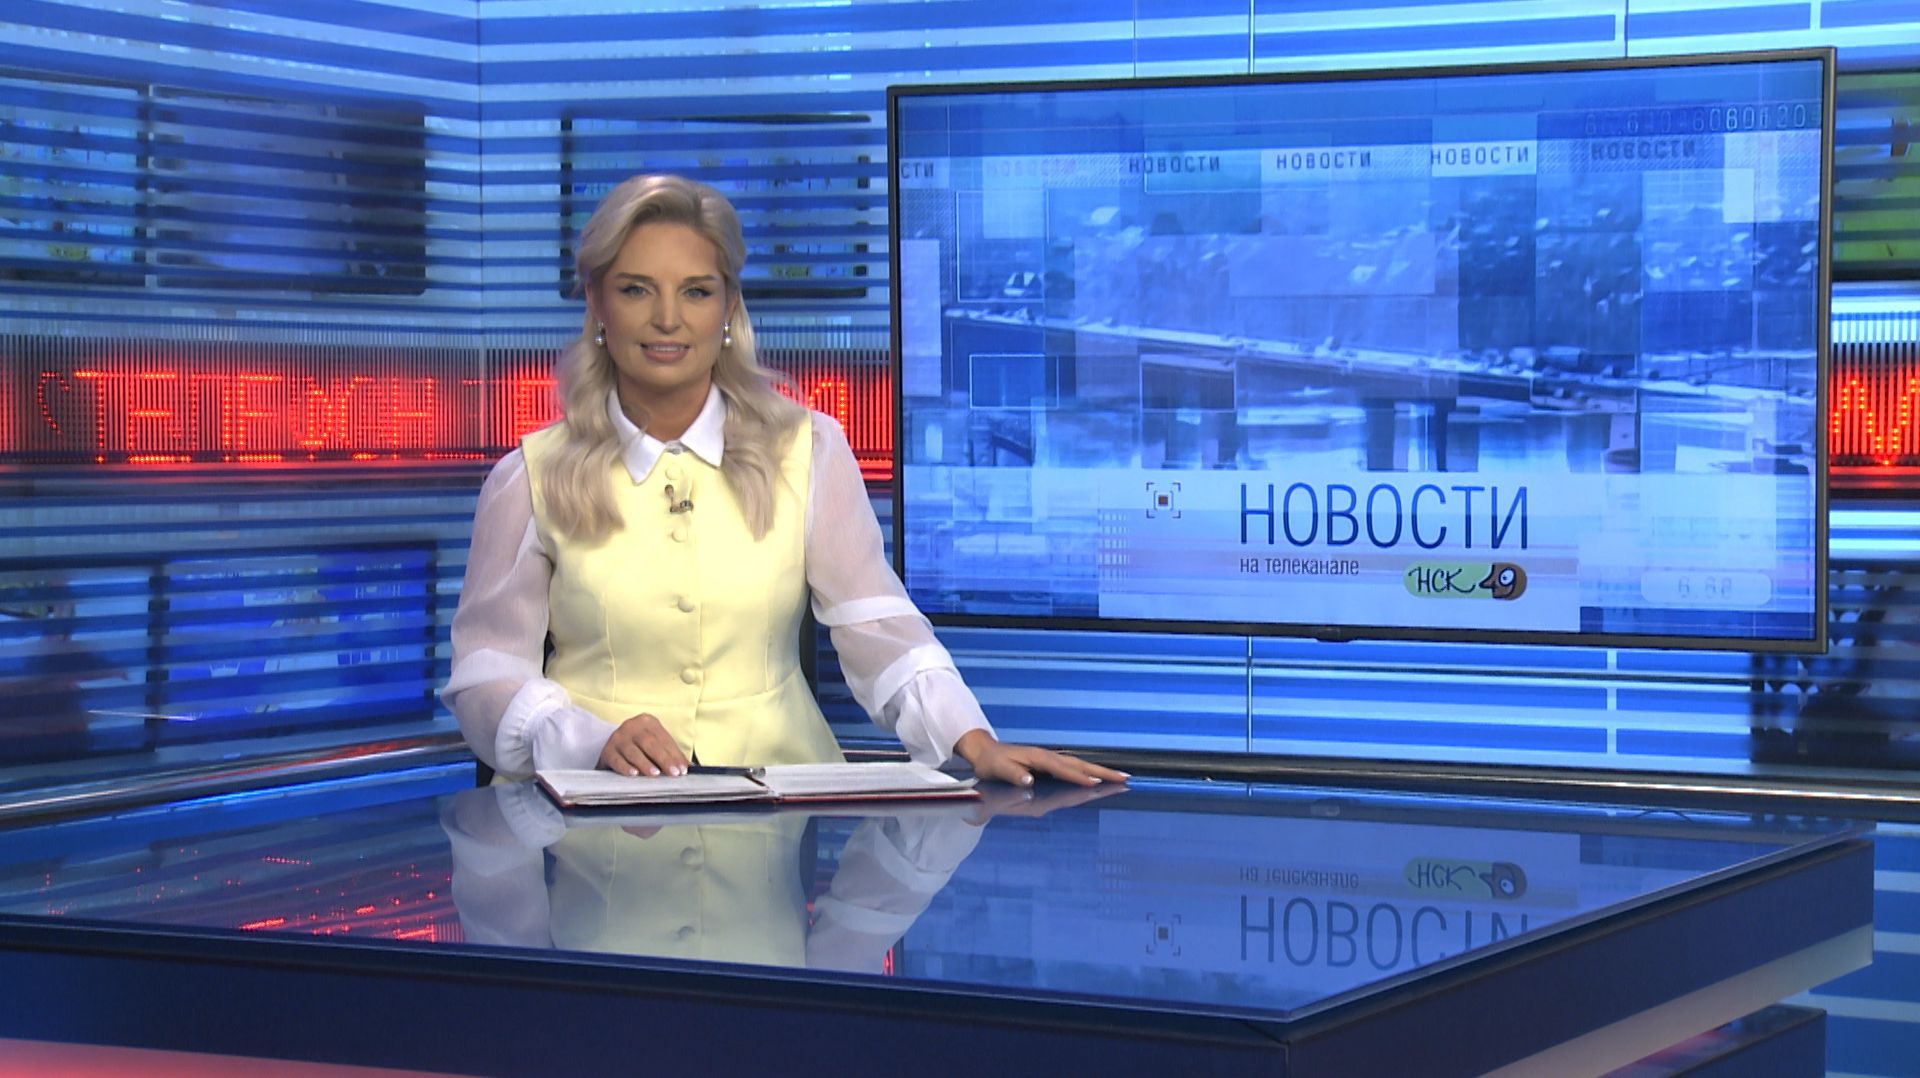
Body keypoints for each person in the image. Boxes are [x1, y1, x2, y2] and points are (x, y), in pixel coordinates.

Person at [443, 174, 1125, 789]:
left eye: (696, 291)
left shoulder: (809, 450)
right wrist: (586, 740)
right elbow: (485, 676)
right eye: (635, 290)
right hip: (589, 823)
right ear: (596, 301)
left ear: (728, 305)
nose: (668, 319)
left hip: (778, 813)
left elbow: (877, 625)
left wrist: (973, 742)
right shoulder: (531, 476)